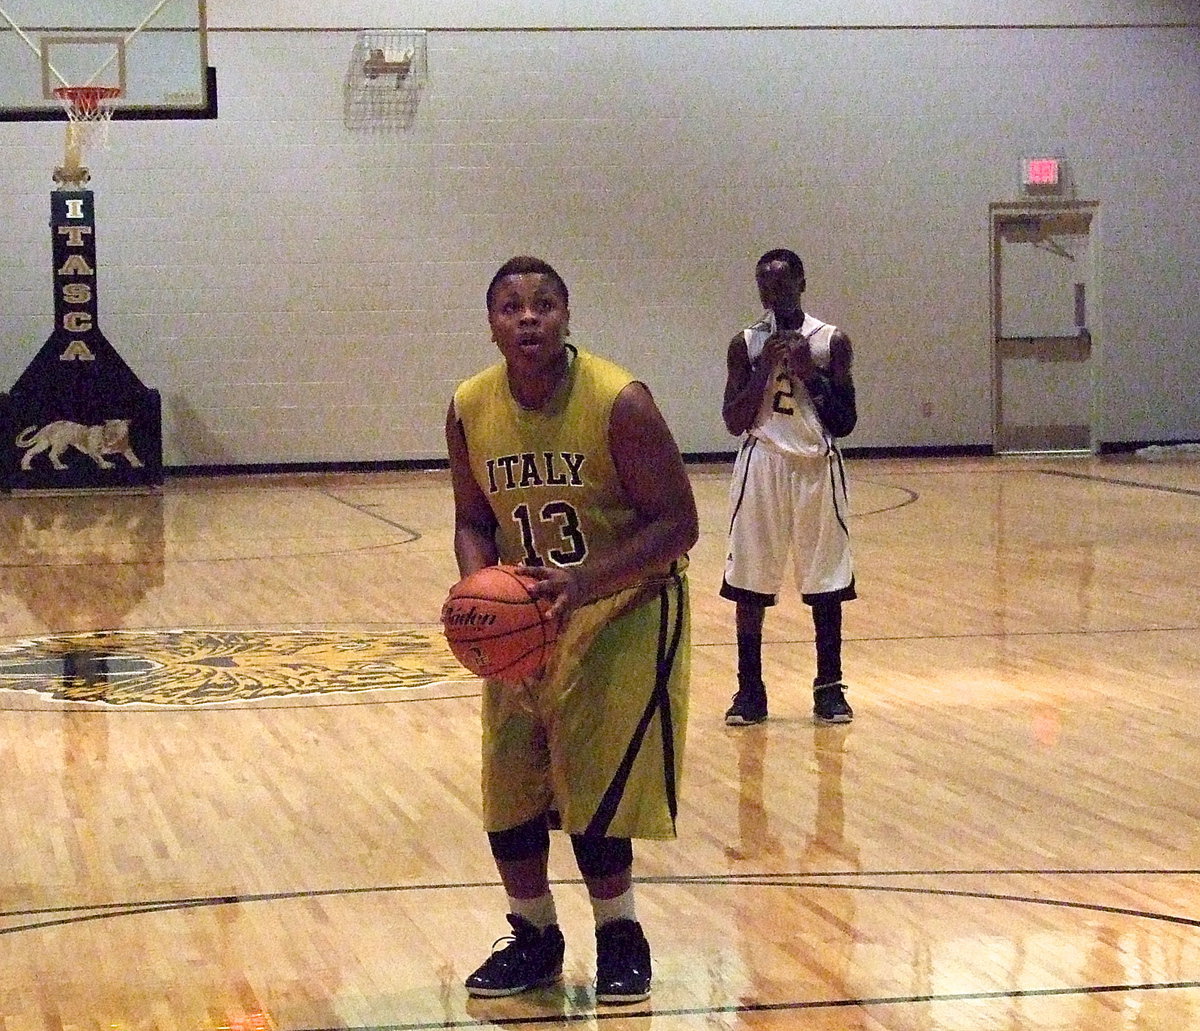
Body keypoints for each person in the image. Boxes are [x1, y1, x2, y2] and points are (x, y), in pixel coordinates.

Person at [446, 255, 697, 1004]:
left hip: (623, 606)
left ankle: (620, 934)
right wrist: (476, 589)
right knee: (509, 784)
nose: (528, 317)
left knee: (593, 789)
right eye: (511, 306)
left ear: (566, 316)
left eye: (544, 304)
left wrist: (585, 583)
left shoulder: (621, 402)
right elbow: (470, 518)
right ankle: (534, 936)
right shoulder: (468, 406)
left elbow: (680, 524)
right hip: (527, 618)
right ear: (490, 325)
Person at [719, 248, 858, 726]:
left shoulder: (830, 341)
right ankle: (749, 691)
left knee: (826, 580)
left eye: (780, 283)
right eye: (764, 285)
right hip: (763, 463)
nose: (772, 293)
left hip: (816, 465)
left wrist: (810, 375)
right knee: (749, 581)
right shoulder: (746, 343)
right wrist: (764, 370)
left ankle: (829, 688)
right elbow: (734, 421)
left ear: (801, 282)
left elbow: (846, 421)